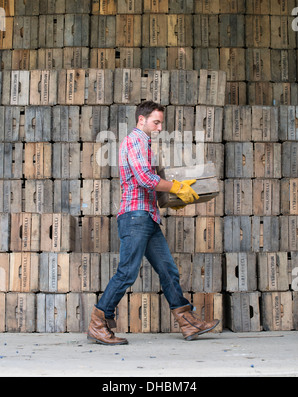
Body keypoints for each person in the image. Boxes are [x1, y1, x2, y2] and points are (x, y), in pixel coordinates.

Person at [87, 101, 220, 345]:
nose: (159, 127)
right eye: (156, 122)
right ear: (141, 120)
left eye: (161, 122)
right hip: (135, 217)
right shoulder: (135, 140)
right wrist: (177, 187)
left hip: (147, 216)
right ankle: (98, 322)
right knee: (127, 272)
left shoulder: (144, 143)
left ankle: (187, 322)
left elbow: (150, 183)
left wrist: (170, 199)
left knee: (168, 270)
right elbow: (145, 178)